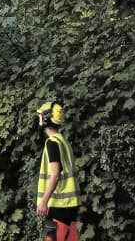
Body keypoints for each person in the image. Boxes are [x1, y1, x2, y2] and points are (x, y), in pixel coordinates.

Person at [35, 101, 80, 241]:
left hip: (58, 205)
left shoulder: (52, 143)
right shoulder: (63, 141)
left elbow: (55, 175)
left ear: (46, 118)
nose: (38, 119)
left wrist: (44, 201)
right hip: (71, 205)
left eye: (40, 116)